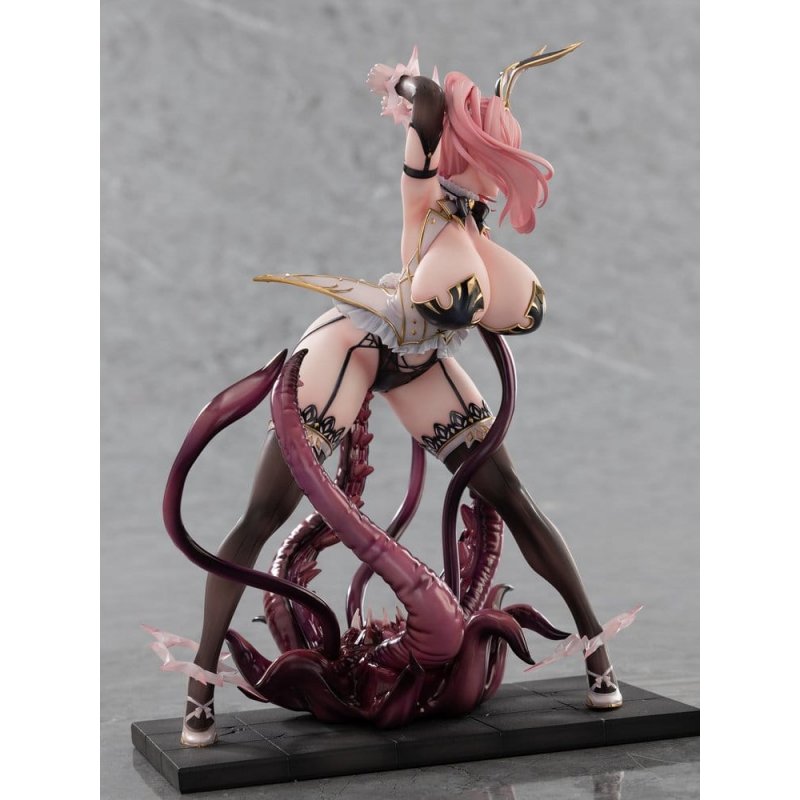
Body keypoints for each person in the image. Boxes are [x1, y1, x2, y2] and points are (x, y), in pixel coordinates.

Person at [180, 46, 623, 747]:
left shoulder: (476, 226)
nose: (500, 170)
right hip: (353, 347)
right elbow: (432, 108)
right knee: (266, 511)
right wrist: (408, 86)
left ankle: (596, 649)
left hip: (419, 363)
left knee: (511, 494)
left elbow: (506, 303)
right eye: (493, 153)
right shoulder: (424, 196)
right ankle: (200, 683)